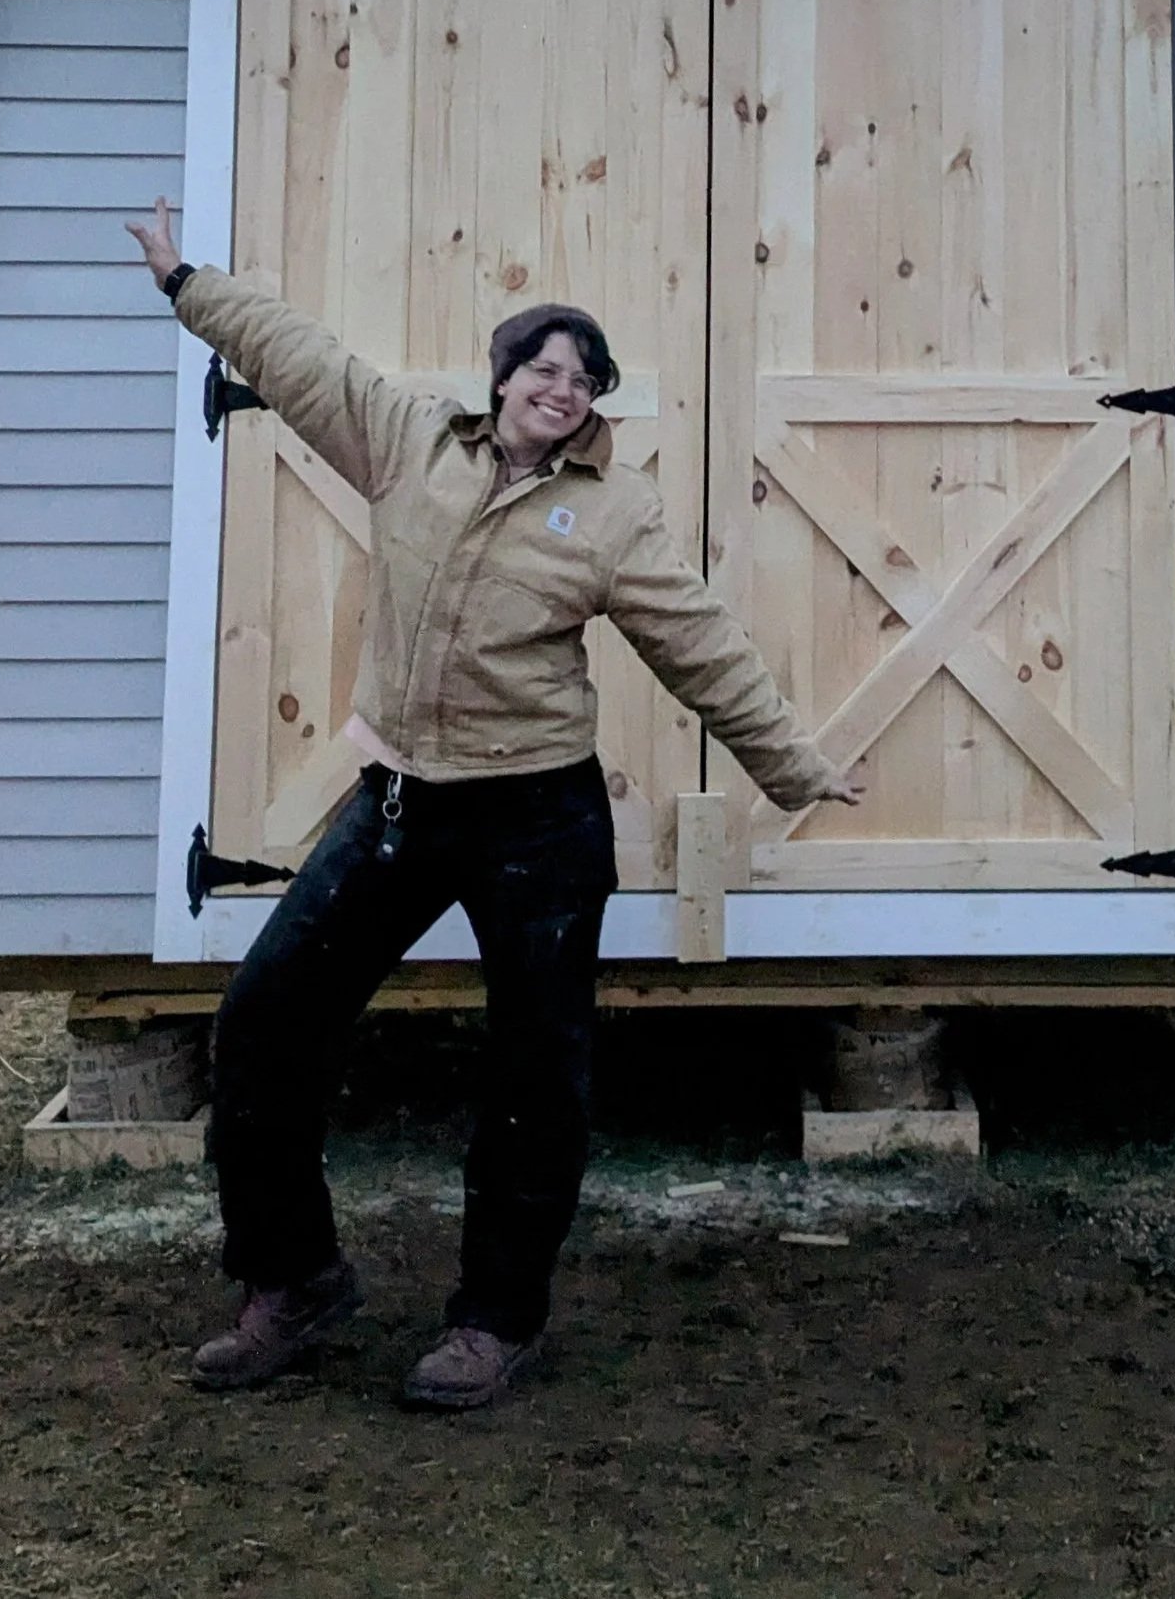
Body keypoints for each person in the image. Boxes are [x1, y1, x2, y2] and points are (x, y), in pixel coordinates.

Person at [123, 199, 864, 1409]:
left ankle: (495, 1320)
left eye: (583, 377)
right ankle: (293, 1277)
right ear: (504, 375)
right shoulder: (408, 440)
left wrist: (789, 762)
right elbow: (298, 354)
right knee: (264, 1019)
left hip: (539, 822)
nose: (559, 387)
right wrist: (185, 283)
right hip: (404, 802)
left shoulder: (612, 514)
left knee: (533, 1073)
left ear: (593, 405)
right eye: (542, 364)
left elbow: (698, 643)